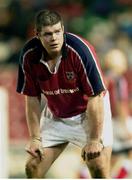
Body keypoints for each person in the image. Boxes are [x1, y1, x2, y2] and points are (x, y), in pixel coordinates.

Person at [16, 9, 113, 178]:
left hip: (88, 113)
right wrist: (35, 138)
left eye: (57, 32)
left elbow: (95, 97)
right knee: (32, 167)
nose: (53, 38)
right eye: (47, 34)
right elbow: (31, 97)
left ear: (63, 30)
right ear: (37, 34)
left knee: (98, 167)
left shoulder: (81, 51)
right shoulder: (28, 55)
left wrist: (94, 140)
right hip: (56, 115)